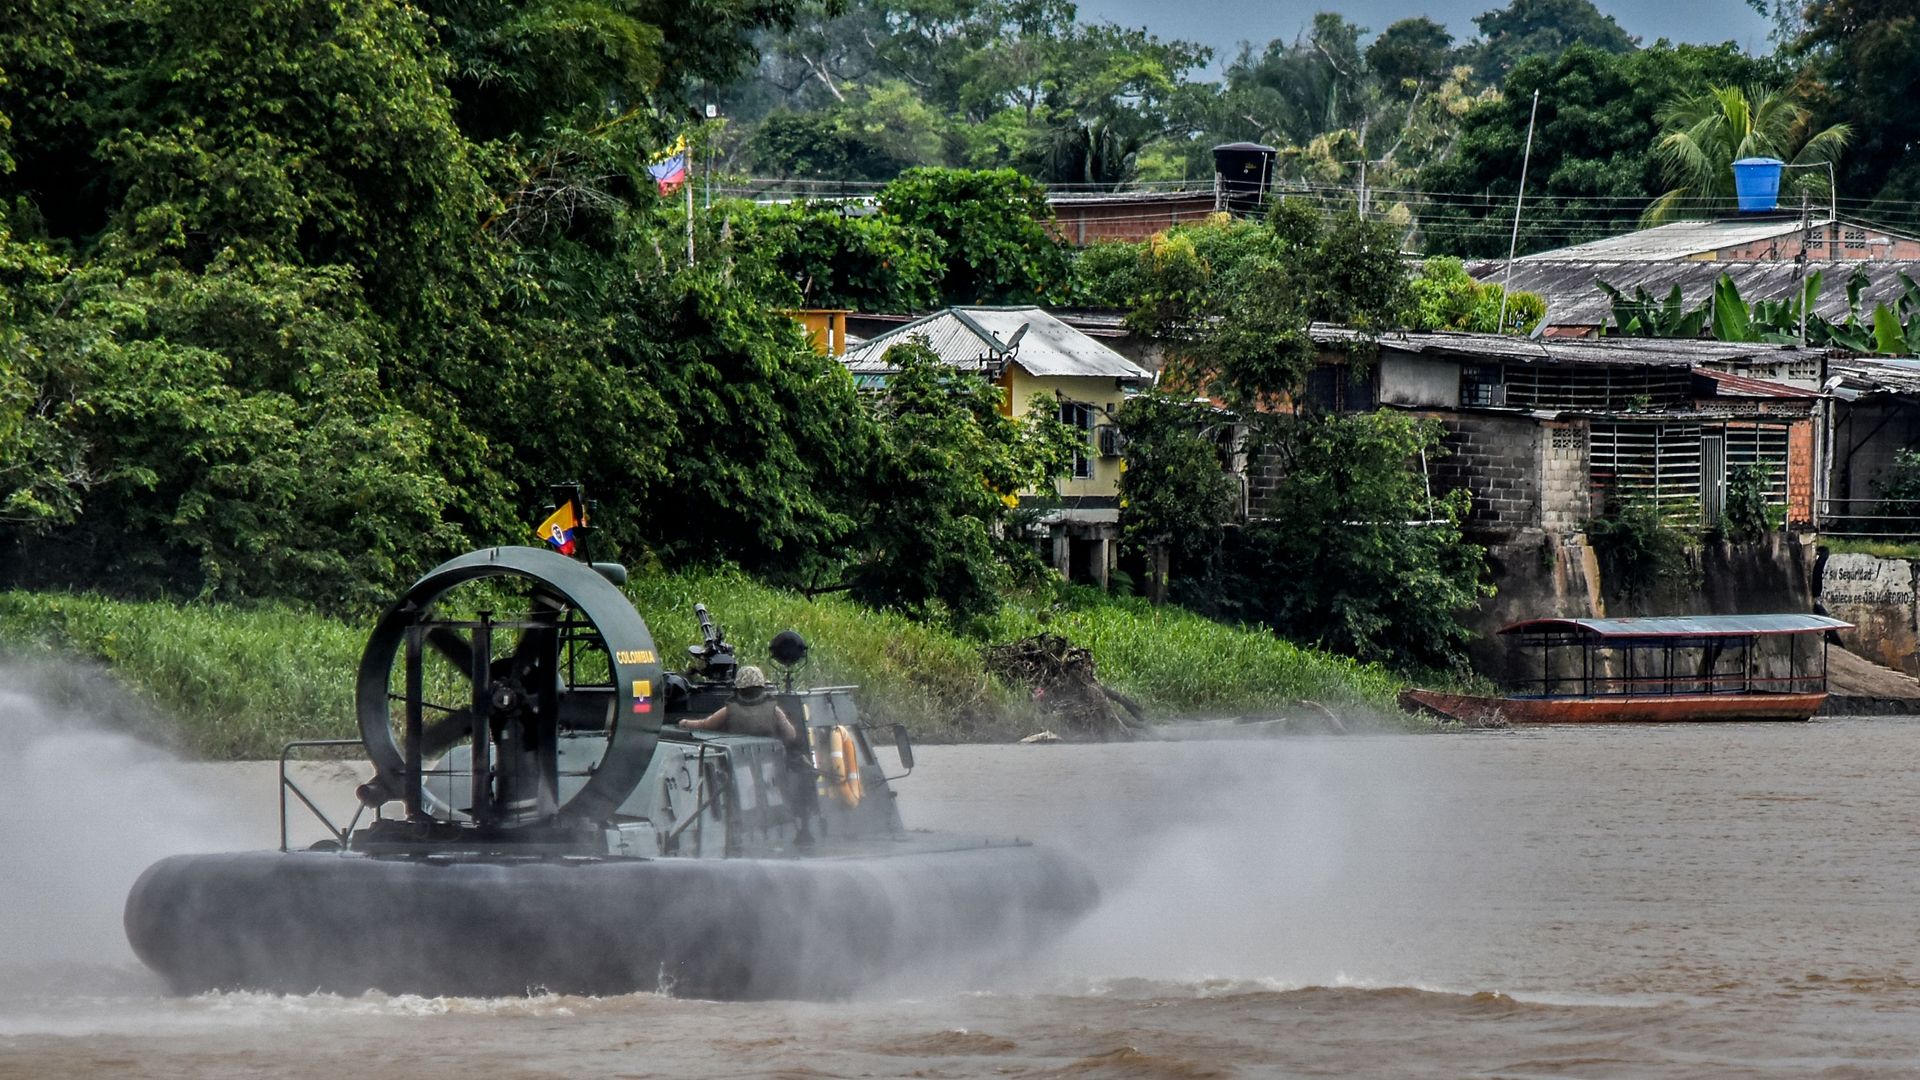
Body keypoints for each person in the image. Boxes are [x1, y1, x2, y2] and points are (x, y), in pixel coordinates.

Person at [677, 665, 798, 745]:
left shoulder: (729, 710)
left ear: (739, 689)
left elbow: (705, 725)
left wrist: (684, 723)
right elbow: (790, 735)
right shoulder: (774, 711)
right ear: (762, 687)